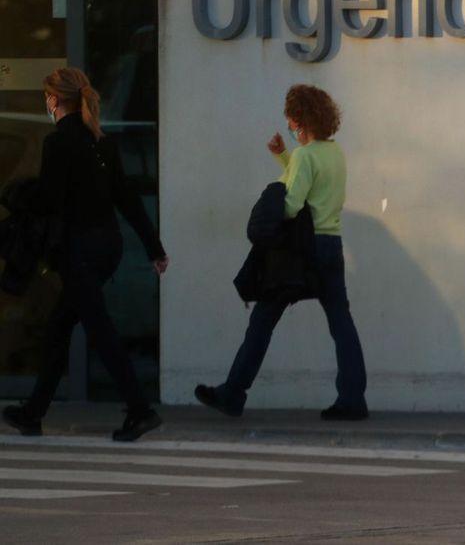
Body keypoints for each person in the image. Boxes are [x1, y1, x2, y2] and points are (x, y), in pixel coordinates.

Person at [2, 67, 168, 442]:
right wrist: (154, 248)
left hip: (80, 250)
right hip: (107, 247)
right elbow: (126, 199)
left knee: (100, 330)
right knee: (60, 326)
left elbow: (50, 200)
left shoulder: (59, 143)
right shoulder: (100, 141)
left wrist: (18, 195)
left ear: (53, 100)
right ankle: (32, 413)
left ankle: (140, 410)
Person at [194, 84, 368, 420]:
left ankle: (233, 392)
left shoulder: (305, 156)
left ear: (300, 120)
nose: (289, 126)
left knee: (263, 318)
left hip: (302, 250)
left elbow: (292, 205)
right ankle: (353, 399)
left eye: (290, 120)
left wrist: (271, 202)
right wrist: (283, 157)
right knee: (341, 322)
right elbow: (311, 179)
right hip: (331, 244)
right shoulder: (334, 153)